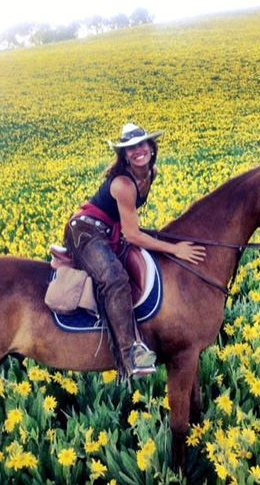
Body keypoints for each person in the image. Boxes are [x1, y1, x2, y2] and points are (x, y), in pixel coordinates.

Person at [64, 123, 206, 379]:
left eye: (142, 144)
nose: (138, 150)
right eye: (130, 148)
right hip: (85, 232)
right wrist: (175, 249)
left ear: (151, 148)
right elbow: (132, 235)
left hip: (110, 230)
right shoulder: (122, 184)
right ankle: (131, 355)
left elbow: (130, 224)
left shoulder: (150, 173)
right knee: (115, 280)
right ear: (125, 155)